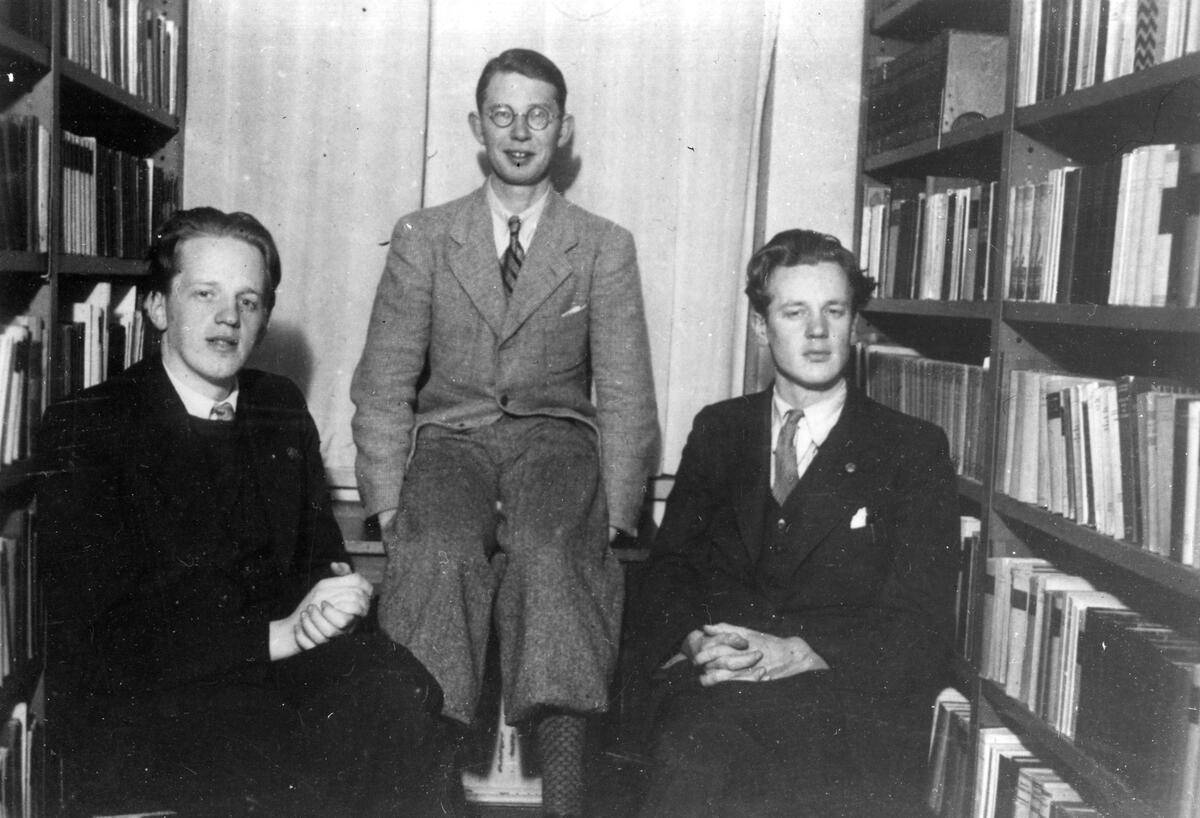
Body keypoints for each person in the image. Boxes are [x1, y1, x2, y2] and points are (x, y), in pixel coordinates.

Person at [37, 207, 449, 817]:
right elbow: (101, 633)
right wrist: (276, 636)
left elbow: (318, 554)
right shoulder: (90, 424)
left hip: (276, 672)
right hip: (155, 695)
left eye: (248, 301)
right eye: (205, 293)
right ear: (158, 308)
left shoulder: (279, 406)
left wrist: (337, 596)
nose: (229, 316)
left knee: (405, 690)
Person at [351, 47, 658, 817]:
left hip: (554, 443)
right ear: (476, 126)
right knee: (435, 550)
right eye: (503, 115)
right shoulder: (425, 235)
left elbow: (625, 390)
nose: (520, 133)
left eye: (538, 116)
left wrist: (617, 511)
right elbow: (385, 381)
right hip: (449, 441)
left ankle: (565, 801)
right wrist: (386, 502)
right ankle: (428, 797)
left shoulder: (603, 243)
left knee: (555, 556)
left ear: (564, 129)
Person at [631, 229, 959, 817]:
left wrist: (801, 651)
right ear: (762, 327)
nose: (817, 331)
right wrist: (696, 641)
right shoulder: (719, 430)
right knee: (692, 750)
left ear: (854, 324)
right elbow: (668, 573)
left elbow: (921, 624)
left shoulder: (911, 448)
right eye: (794, 312)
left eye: (834, 311)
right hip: (716, 688)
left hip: (841, 703)